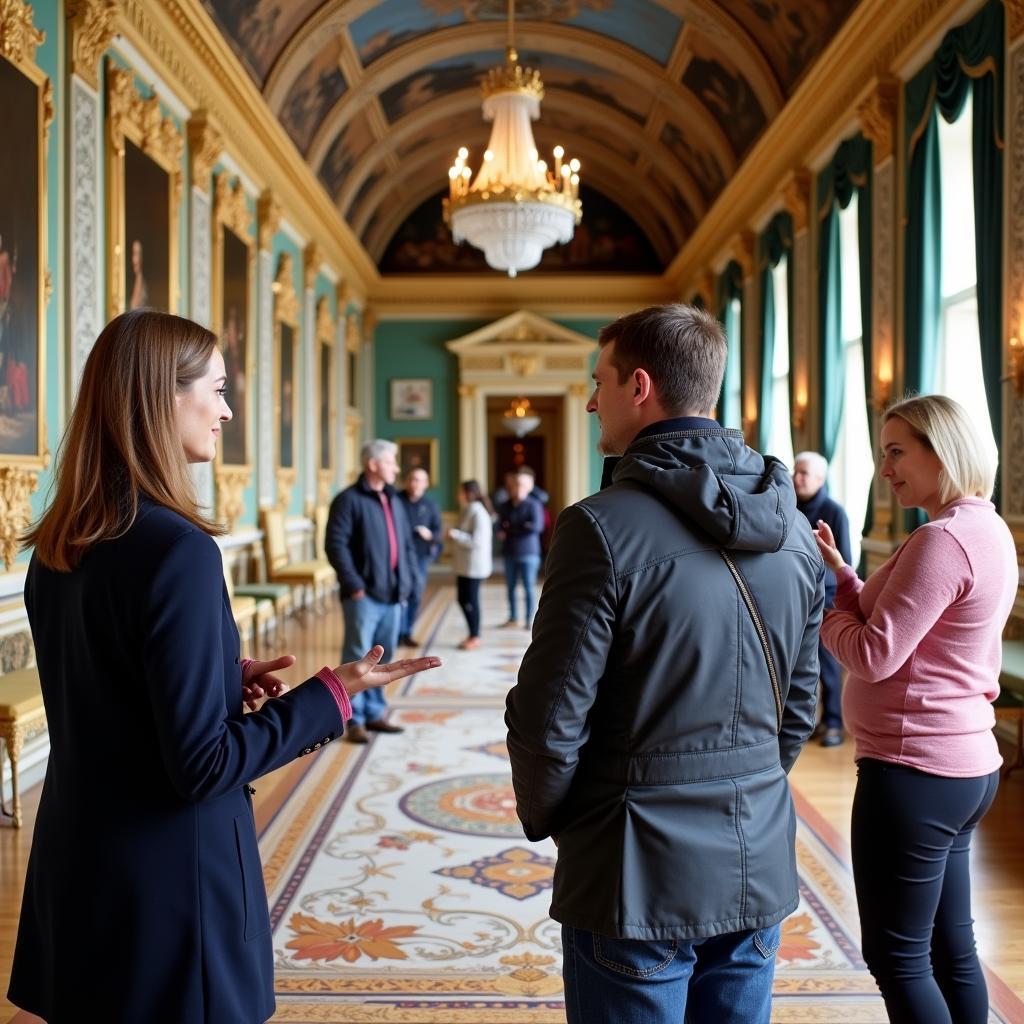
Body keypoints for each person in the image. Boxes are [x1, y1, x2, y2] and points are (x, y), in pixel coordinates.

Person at [8, 310, 441, 1024]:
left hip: (81, 873)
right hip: (171, 891)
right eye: (216, 387)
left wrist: (216, 674)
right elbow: (203, 766)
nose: (227, 409)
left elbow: (104, 681)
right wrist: (331, 694)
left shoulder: (62, 544)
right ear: (161, 397)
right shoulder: (178, 551)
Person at [506, 303, 824, 1024]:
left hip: (633, 869)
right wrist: (740, 785)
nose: (591, 400)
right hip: (755, 858)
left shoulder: (598, 527)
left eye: (599, 381)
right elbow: (799, 710)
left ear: (639, 386)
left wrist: (566, 824)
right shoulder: (797, 534)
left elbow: (549, 721)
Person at [814, 395, 1015, 1024]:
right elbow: (905, 623)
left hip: (916, 771)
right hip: (961, 768)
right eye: (882, 454)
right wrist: (845, 578)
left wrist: (820, 617)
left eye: (897, 452)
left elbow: (874, 654)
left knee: (899, 958)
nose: (886, 469)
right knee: (952, 951)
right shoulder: (985, 527)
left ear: (942, 451)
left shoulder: (942, 541)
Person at [325, 439, 420, 744]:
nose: (396, 467)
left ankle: (375, 713)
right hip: (364, 595)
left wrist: (408, 583)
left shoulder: (394, 499)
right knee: (358, 658)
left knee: (385, 658)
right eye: (391, 461)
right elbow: (336, 545)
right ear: (373, 464)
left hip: (393, 595)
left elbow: (404, 543)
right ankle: (354, 719)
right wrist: (354, 586)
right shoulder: (348, 500)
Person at [793, 450, 852, 747]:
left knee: (827, 666)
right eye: (795, 472)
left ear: (820, 478)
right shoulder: (789, 506)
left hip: (826, 598)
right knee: (801, 664)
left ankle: (833, 724)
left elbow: (845, 561)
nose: (797, 478)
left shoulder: (834, 511)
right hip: (797, 595)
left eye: (804, 474)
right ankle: (808, 722)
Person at [396, 466, 442, 646]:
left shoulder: (430, 506)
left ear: (426, 484)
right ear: (406, 481)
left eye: (419, 480)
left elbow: (438, 532)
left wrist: (429, 534)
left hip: (420, 557)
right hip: (398, 556)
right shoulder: (396, 500)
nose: (415, 483)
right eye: (412, 479)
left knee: (415, 593)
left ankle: (406, 631)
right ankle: (396, 632)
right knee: (398, 594)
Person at [447, 479, 494, 650]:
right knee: (462, 599)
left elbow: (477, 541)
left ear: (469, 492)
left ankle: (475, 636)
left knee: (471, 601)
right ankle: (472, 633)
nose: (458, 495)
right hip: (465, 565)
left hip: (474, 566)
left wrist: (455, 535)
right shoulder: (468, 509)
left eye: (460, 491)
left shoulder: (478, 512)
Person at [496, 468, 545, 629]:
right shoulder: (505, 506)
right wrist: (518, 527)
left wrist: (510, 528)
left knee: (528, 588)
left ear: (529, 486)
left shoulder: (534, 505)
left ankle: (529, 620)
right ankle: (513, 617)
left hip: (529, 553)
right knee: (510, 587)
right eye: (516, 484)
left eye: (522, 484)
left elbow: (536, 527)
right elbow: (500, 528)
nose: (518, 487)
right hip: (509, 552)